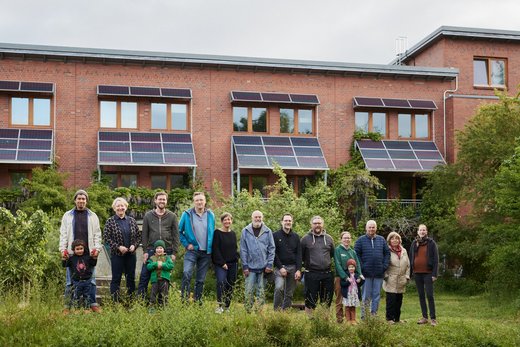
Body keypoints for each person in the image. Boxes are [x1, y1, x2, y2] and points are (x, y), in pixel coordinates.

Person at [59, 189, 102, 313]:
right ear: (75, 200)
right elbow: (63, 234)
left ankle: (92, 304)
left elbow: (97, 234)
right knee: (69, 281)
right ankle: (67, 306)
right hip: (72, 254)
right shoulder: (67, 215)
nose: (81, 201)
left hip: (89, 254)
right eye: (79, 198)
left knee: (92, 280)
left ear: (86, 201)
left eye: (83, 199)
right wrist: (63, 250)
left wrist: (97, 249)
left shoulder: (93, 216)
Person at [137, 191, 179, 300]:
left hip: (167, 251)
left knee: (164, 278)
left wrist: (174, 252)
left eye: (164, 199)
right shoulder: (148, 215)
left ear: (166, 201)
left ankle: (162, 303)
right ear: (155, 201)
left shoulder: (172, 216)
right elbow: (144, 235)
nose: (162, 201)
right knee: (144, 276)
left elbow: (176, 235)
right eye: (160, 199)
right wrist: (145, 251)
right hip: (151, 250)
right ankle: (141, 301)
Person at [179, 191, 216, 304]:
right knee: (187, 273)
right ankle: (184, 301)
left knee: (200, 279)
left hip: (206, 252)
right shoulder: (187, 214)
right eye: (197, 200)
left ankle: (198, 301)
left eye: (201, 200)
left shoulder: (210, 215)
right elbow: (180, 232)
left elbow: (212, 232)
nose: (199, 202)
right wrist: (186, 244)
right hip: (192, 251)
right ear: (194, 202)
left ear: (205, 202)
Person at [103, 197, 141, 303]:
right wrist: (118, 247)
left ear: (126, 207)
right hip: (117, 255)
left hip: (131, 255)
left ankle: (130, 301)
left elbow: (138, 236)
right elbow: (106, 238)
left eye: (122, 205)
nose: (120, 208)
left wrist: (134, 245)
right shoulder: (110, 221)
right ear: (114, 208)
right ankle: (115, 302)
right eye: (118, 206)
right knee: (116, 279)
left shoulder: (132, 221)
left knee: (130, 279)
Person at [240, 210, 275, 313]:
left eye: (259, 217)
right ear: (252, 218)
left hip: (264, 267)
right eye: (256, 217)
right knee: (249, 291)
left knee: (261, 291)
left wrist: (269, 264)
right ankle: (248, 312)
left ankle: (259, 312)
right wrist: (245, 266)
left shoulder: (267, 231)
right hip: (250, 267)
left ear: (262, 218)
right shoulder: (245, 231)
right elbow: (243, 249)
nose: (258, 219)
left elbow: (272, 249)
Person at [354, 220, 390, 319]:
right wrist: (362, 268)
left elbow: (387, 253)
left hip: (379, 273)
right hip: (366, 274)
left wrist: (384, 266)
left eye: (373, 227)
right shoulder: (360, 240)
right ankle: (364, 317)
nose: (371, 229)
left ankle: (373, 315)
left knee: (376, 296)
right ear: (366, 228)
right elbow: (356, 255)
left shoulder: (381, 240)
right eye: (369, 227)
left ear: (376, 228)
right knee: (366, 296)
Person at [300, 215, 335, 315]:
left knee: (327, 300)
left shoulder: (329, 239)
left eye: (319, 223)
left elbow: (332, 254)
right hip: (311, 273)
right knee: (310, 299)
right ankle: (310, 321)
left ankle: (324, 322)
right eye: (315, 223)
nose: (317, 225)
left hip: (327, 274)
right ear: (311, 225)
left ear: (322, 225)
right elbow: (300, 256)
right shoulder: (305, 239)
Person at [409, 224, 439, 326]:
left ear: (426, 232)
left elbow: (436, 260)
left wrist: (434, 274)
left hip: (428, 273)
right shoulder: (414, 243)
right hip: (417, 273)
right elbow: (411, 258)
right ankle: (424, 317)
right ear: (418, 232)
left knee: (429, 295)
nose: (422, 232)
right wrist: (410, 273)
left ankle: (433, 318)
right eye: (420, 230)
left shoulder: (431, 243)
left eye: (424, 230)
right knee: (421, 295)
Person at [273, 213, 302, 311]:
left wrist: (298, 270)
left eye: (289, 220)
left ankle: (285, 312)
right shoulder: (275, 235)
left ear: (292, 222)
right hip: (279, 267)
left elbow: (299, 255)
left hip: (293, 267)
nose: (287, 222)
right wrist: (280, 267)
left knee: (289, 293)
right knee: (279, 288)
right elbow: (273, 253)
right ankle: (276, 312)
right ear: (282, 222)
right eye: (286, 220)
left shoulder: (296, 237)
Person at [211, 212, 239, 313]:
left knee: (230, 284)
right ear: (222, 221)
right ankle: (219, 306)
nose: (227, 221)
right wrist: (222, 263)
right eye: (225, 219)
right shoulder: (217, 233)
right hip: (221, 264)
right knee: (221, 282)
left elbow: (235, 248)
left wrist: (236, 259)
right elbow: (216, 249)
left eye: (229, 219)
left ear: (231, 221)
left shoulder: (233, 233)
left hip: (233, 264)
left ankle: (227, 306)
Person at [62, 239, 98, 311]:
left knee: (87, 296)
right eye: (77, 249)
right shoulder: (71, 259)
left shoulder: (88, 257)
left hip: (87, 281)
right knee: (76, 296)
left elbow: (93, 264)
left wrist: (94, 257)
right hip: (76, 281)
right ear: (73, 250)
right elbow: (65, 265)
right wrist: (64, 258)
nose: (79, 250)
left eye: (81, 248)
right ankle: (76, 309)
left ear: (84, 248)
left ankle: (86, 309)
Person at [334, 231, 362, 323]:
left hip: (352, 279)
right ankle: (339, 319)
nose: (347, 239)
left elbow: (357, 264)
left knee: (350, 297)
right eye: (345, 238)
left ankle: (350, 318)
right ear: (341, 239)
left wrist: (359, 275)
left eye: (349, 238)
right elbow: (337, 264)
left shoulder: (352, 251)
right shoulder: (338, 250)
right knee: (340, 298)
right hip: (340, 278)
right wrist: (345, 277)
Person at [383, 231, 410, 324]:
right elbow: (384, 264)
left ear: (399, 240)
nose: (395, 240)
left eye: (397, 238)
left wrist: (407, 276)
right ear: (389, 240)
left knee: (399, 300)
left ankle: (397, 319)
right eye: (392, 238)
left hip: (402, 279)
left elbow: (408, 265)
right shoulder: (386, 250)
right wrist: (385, 276)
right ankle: (389, 319)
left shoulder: (404, 250)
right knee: (391, 300)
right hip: (391, 278)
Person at [147, 240, 175, 308]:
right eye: (157, 248)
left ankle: (164, 308)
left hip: (164, 279)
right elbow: (148, 267)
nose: (159, 250)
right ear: (155, 250)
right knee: (153, 294)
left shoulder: (167, 258)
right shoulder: (152, 258)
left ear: (164, 249)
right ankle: (152, 308)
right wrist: (156, 264)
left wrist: (162, 265)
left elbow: (171, 266)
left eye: (161, 248)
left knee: (164, 295)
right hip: (155, 280)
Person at [340, 259, 362, 324]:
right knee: (347, 307)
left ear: (355, 267)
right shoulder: (345, 275)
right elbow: (342, 284)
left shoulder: (357, 275)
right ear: (347, 268)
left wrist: (360, 280)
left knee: (353, 307)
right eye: (350, 267)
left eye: (353, 267)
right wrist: (348, 282)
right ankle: (348, 320)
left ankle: (353, 319)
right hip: (348, 294)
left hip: (354, 294)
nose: (351, 268)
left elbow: (361, 282)